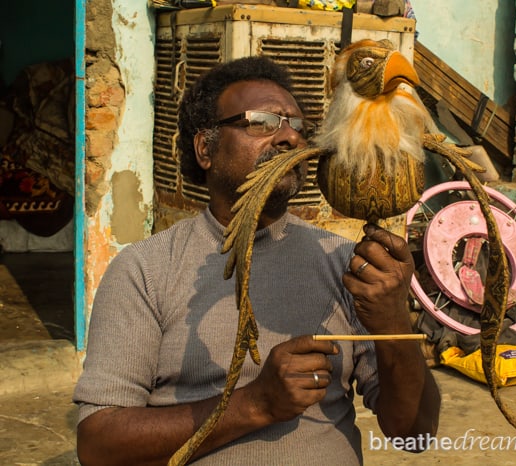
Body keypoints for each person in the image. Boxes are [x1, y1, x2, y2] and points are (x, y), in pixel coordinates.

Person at [74, 56, 440, 465]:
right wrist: (254, 405)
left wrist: (392, 320)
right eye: (261, 122)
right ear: (205, 149)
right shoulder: (145, 270)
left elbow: (415, 435)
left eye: (297, 126)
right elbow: (98, 444)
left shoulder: (346, 265)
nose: (288, 139)